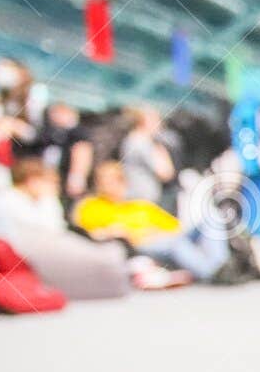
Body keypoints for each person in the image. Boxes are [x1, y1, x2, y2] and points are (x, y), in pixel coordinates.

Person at [73, 160, 232, 287]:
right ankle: (212, 272)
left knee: (212, 219)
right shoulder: (90, 206)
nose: (112, 185)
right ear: (98, 184)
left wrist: (157, 232)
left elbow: (176, 227)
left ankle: (222, 266)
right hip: (139, 245)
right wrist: (114, 232)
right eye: (106, 181)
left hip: (164, 237)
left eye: (117, 180)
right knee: (175, 243)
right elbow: (83, 235)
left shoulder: (140, 206)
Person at [118, 107, 174, 205]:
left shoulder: (130, 140)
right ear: (146, 122)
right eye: (158, 121)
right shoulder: (142, 143)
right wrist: (161, 151)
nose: (161, 125)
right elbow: (165, 173)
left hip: (134, 196)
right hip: (142, 201)